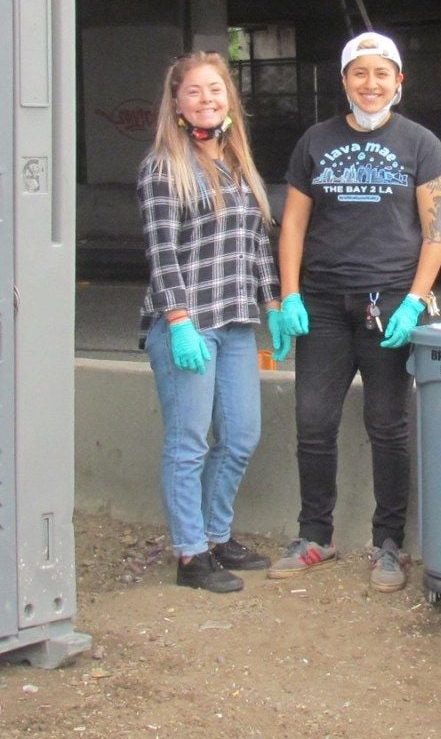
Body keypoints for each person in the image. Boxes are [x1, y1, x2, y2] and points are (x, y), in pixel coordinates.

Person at [267, 31, 441, 593]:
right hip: (321, 304)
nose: (370, 85)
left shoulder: (422, 144)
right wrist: (289, 293)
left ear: (399, 82)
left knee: (387, 425)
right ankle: (314, 535)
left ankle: (389, 543)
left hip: (389, 302)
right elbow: (294, 222)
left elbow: (436, 230)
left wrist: (416, 300)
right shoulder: (315, 142)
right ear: (344, 80)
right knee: (314, 423)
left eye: (381, 74)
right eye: (359, 73)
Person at [138, 50, 289, 593]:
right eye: (195, 91)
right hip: (189, 325)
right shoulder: (163, 167)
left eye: (216, 90)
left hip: (235, 323)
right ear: (176, 102)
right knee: (188, 442)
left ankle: (217, 534)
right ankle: (190, 554)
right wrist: (178, 320)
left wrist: (274, 305)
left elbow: (254, 247)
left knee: (241, 435)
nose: (207, 99)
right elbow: (162, 253)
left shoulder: (237, 162)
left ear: (230, 99)